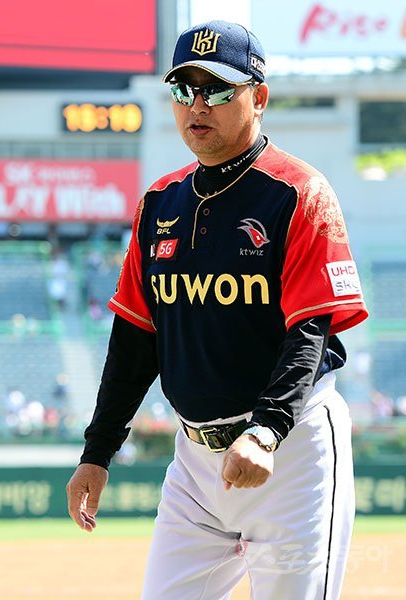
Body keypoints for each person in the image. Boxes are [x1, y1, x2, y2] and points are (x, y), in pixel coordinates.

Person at [66, 20, 369, 599]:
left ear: (259, 97)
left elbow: (309, 331)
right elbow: (134, 340)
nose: (197, 105)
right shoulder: (160, 202)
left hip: (292, 453)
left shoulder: (299, 192)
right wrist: (97, 452)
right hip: (194, 465)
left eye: (218, 89)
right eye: (184, 89)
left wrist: (267, 430)